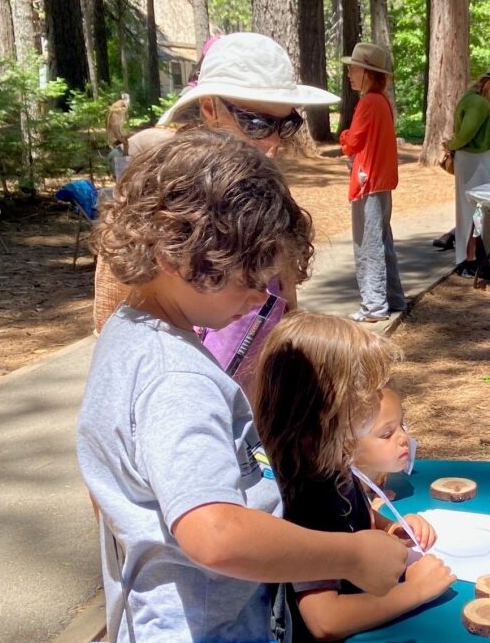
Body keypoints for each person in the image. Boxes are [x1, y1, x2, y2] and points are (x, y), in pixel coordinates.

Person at [77, 128, 408, 643]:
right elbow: (216, 533)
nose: (264, 299)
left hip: (198, 642)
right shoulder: (174, 377)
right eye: (249, 280)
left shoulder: (136, 333)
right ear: (177, 255)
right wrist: (348, 557)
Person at [253, 311, 453, 643]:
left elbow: (355, 519)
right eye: (364, 394)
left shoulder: (336, 469)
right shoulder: (302, 498)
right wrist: (414, 591)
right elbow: (322, 619)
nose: (379, 400)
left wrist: (389, 529)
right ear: (324, 414)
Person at [93, 32, 340, 335]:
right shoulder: (156, 195)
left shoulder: (267, 186)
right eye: (258, 123)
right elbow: (113, 316)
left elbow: (286, 298)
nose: (274, 141)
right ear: (210, 109)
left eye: (286, 124)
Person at [339, 43, 406, 324]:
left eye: (354, 69)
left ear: (367, 72)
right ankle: (393, 298)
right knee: (381, 240)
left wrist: (343, 136)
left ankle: (374, 306)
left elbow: (352, 142)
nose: (350, 75)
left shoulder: (368, 102)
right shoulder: (382, 102)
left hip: (368, 181)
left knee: (368, 244)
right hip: (381, 181)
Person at [444, 62, 490, 277]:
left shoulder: (477, 100)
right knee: (471, 211)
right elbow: (466, 133)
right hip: (473, 161)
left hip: (477, 161)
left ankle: (473, 257)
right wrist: (451, 146)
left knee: (475, 211)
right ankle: (468, 259)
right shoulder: (478, 103)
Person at [354, 385, 414, 505]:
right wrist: (370, 512)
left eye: (402, 425)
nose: (403, 437)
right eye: (387, 434)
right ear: (350, 446)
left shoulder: (381, 472)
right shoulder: (340, 490)